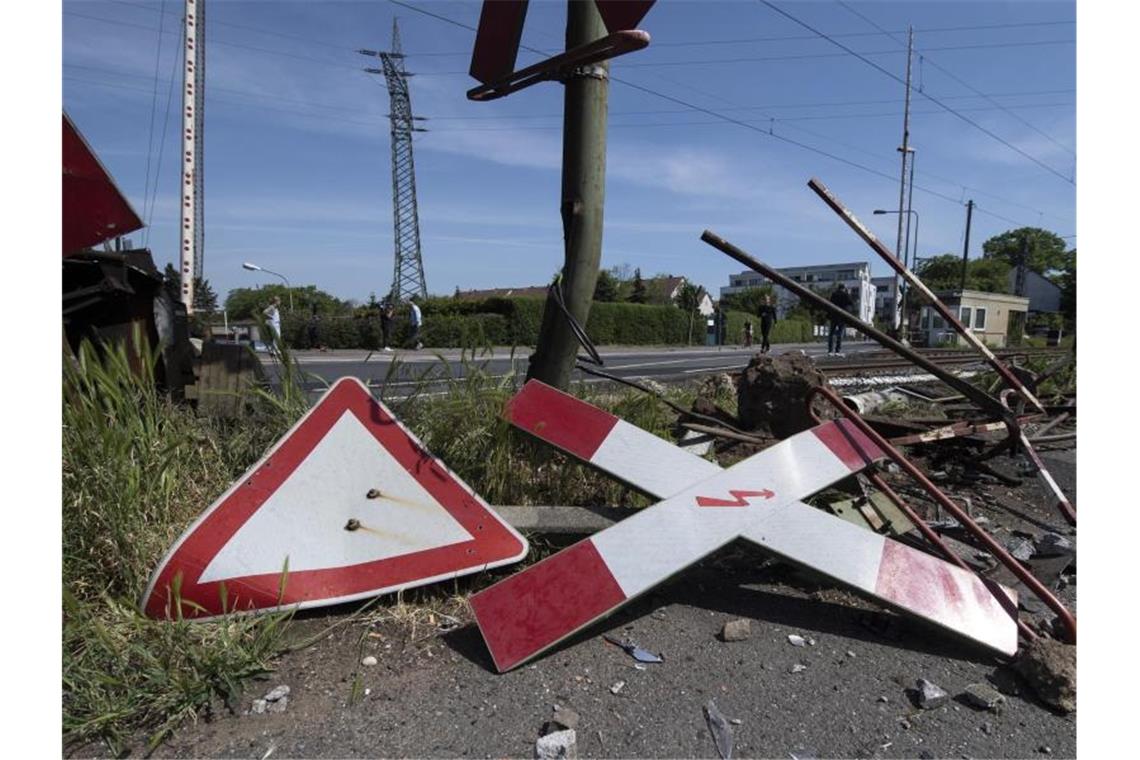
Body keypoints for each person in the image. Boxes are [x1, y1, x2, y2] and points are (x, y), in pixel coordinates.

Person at [827, 284, 852, 355]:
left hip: (834, 316)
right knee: (840, 334)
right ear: (844, 288)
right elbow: (850, 302)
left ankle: (830, 350)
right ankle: (837, 350)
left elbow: (830, 303)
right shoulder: (845, 294)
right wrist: (848, 293)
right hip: (842, 316)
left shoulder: (834, 294)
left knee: (831, 334)